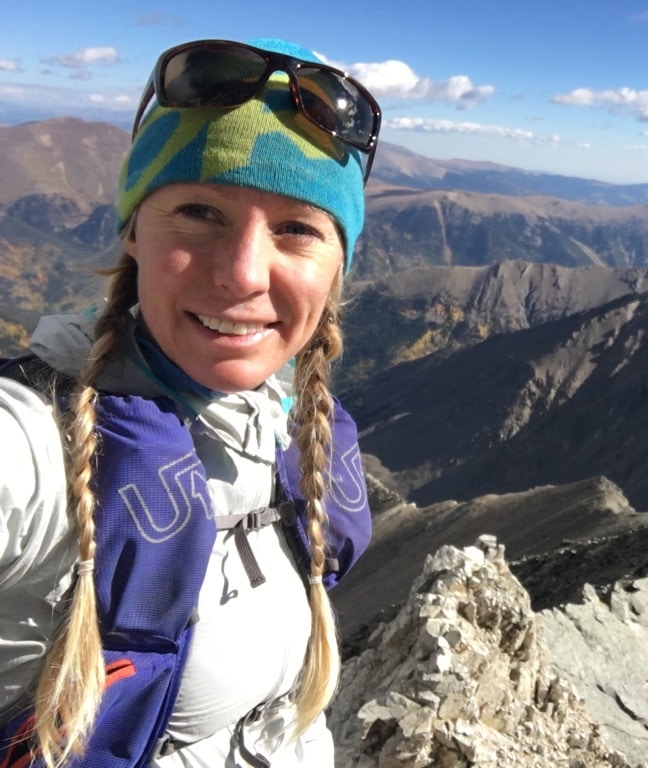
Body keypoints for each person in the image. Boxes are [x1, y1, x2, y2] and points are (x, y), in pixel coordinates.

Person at [0, 37, 380, 767]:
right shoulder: (41, 448)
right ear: (135, 230)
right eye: (200, 212)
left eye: (297, 228)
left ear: (336, 267)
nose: (241, 274)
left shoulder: (285, 427)